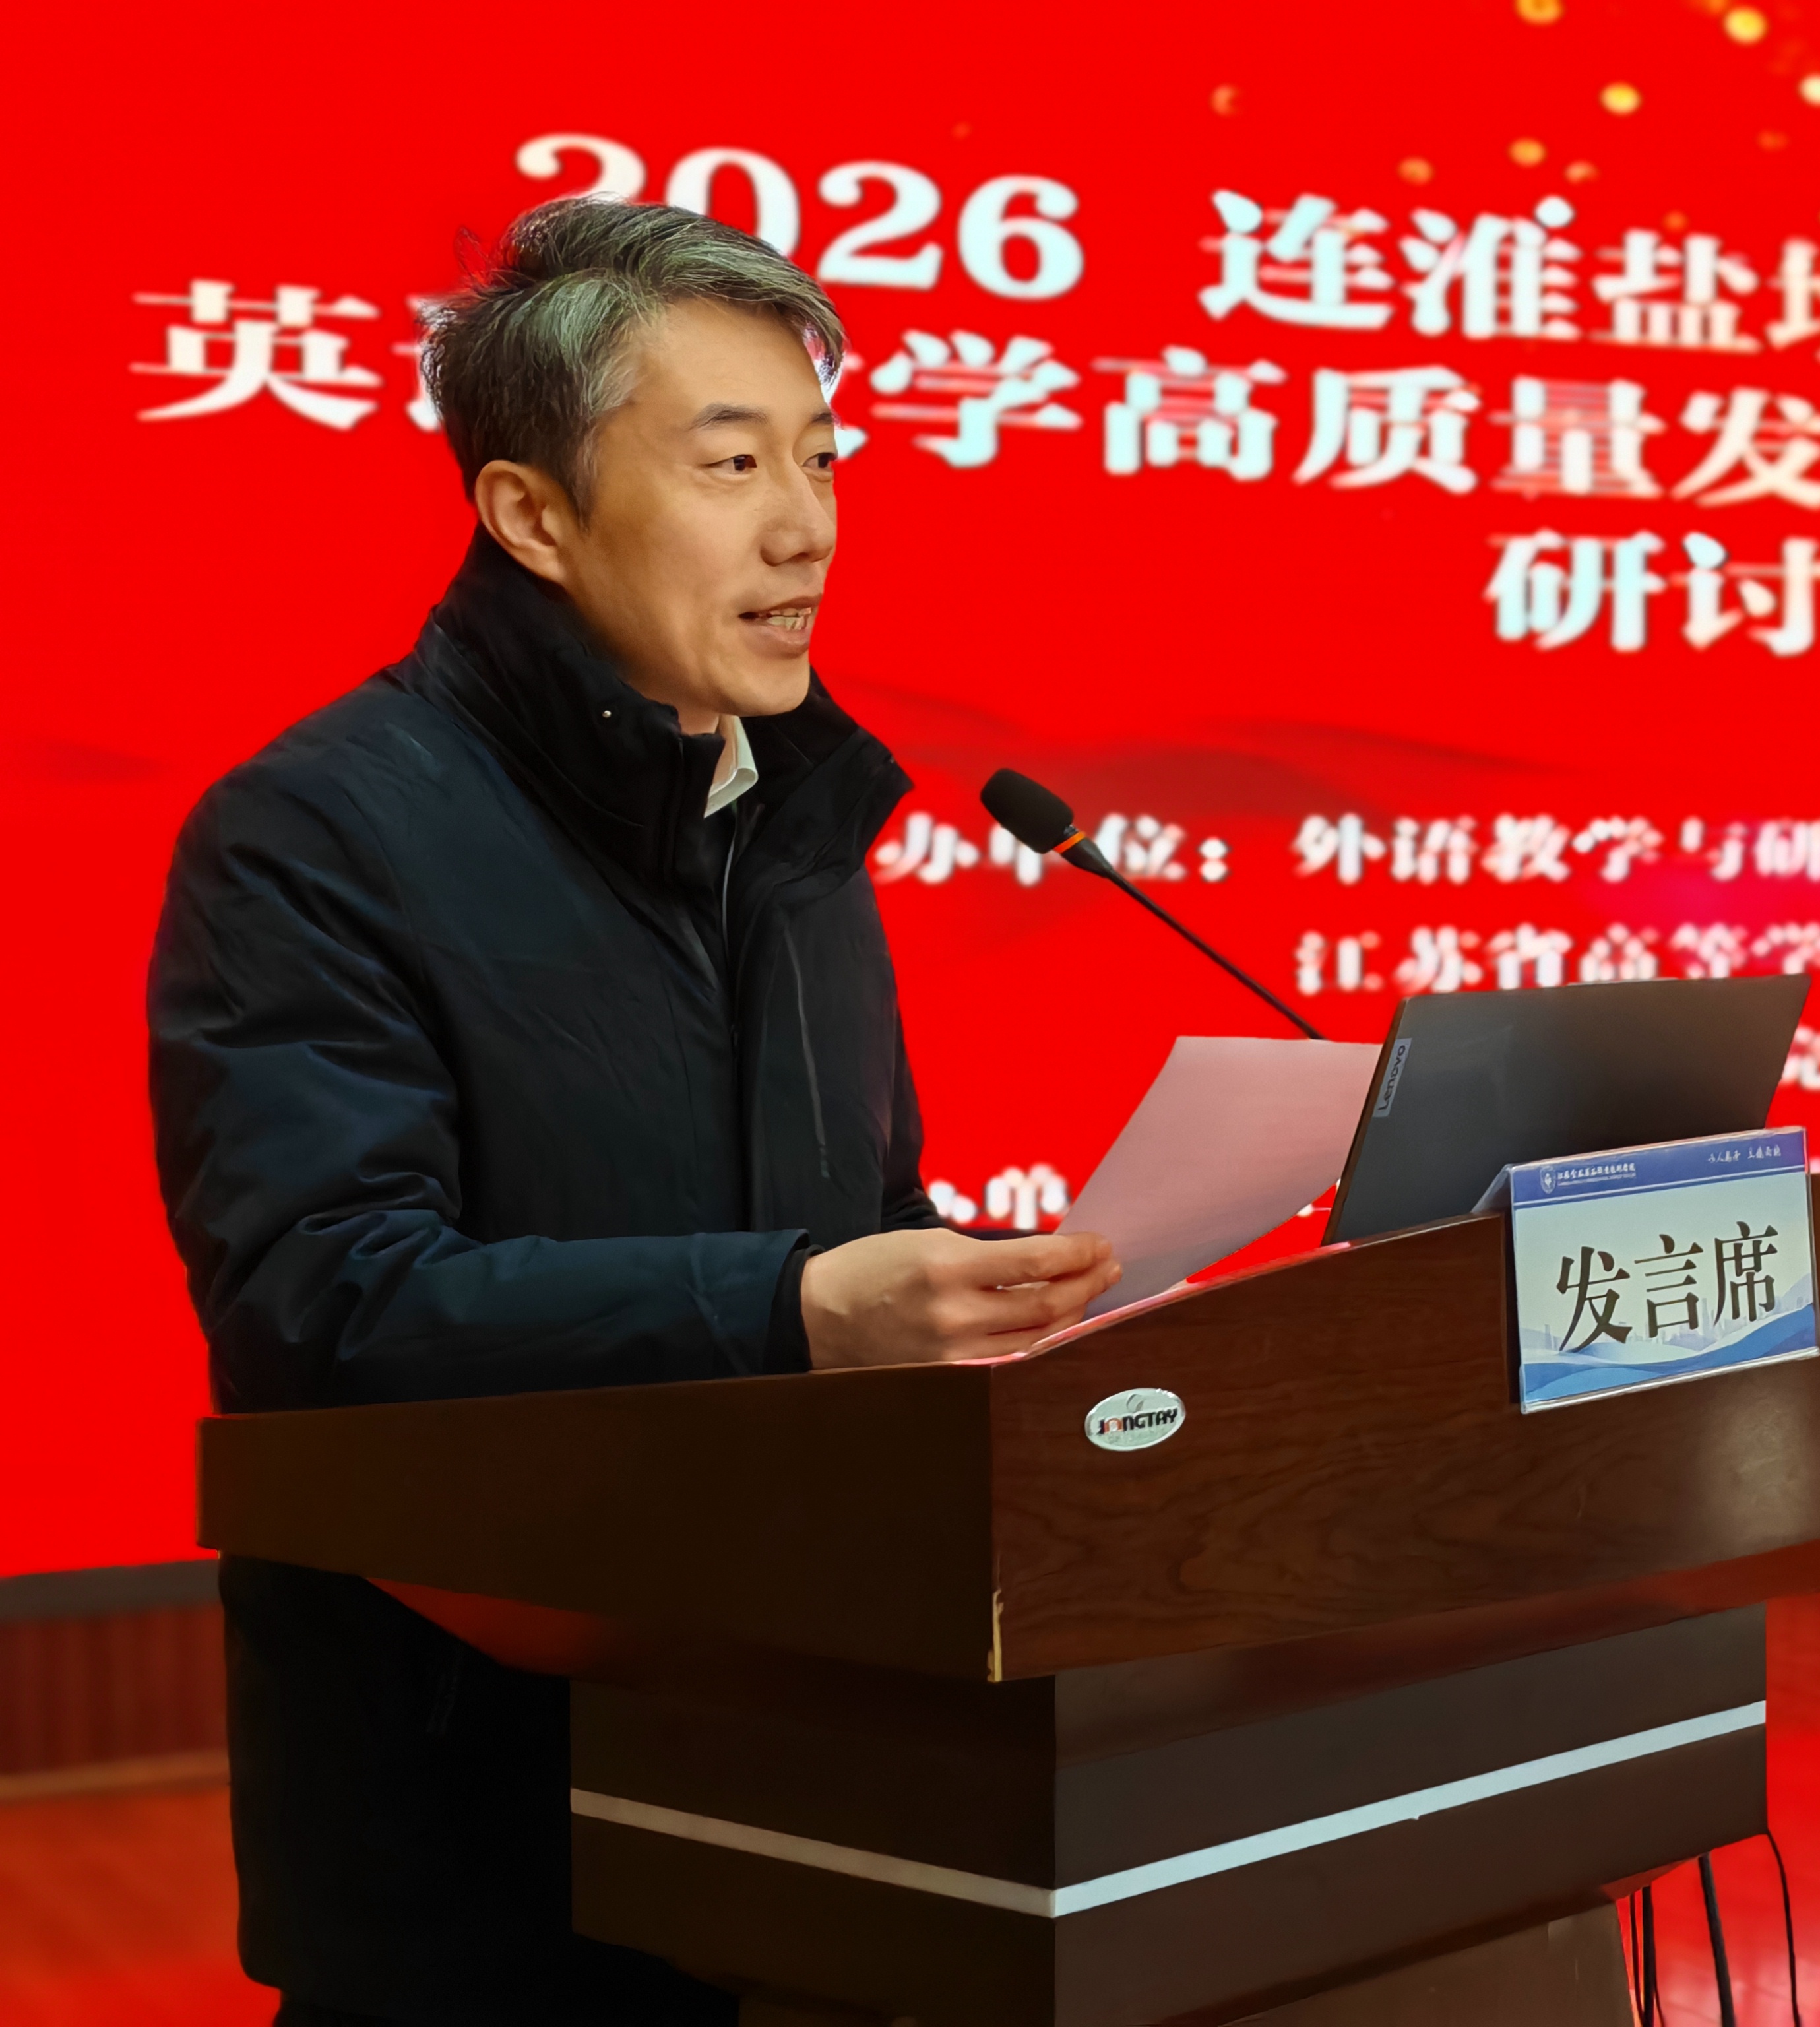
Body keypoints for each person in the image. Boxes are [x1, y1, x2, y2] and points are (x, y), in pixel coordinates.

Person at [147, 198, 1119, 2025]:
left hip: (818, 1790)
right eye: (732, 463)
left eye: (822, 457)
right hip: (486, 1840)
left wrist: (990, 1295)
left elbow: (854, 1221)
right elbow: (321, 1304)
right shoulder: (315, 834)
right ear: (532, 515)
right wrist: (791, 1307)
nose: (806, 525)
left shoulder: (795, 825)